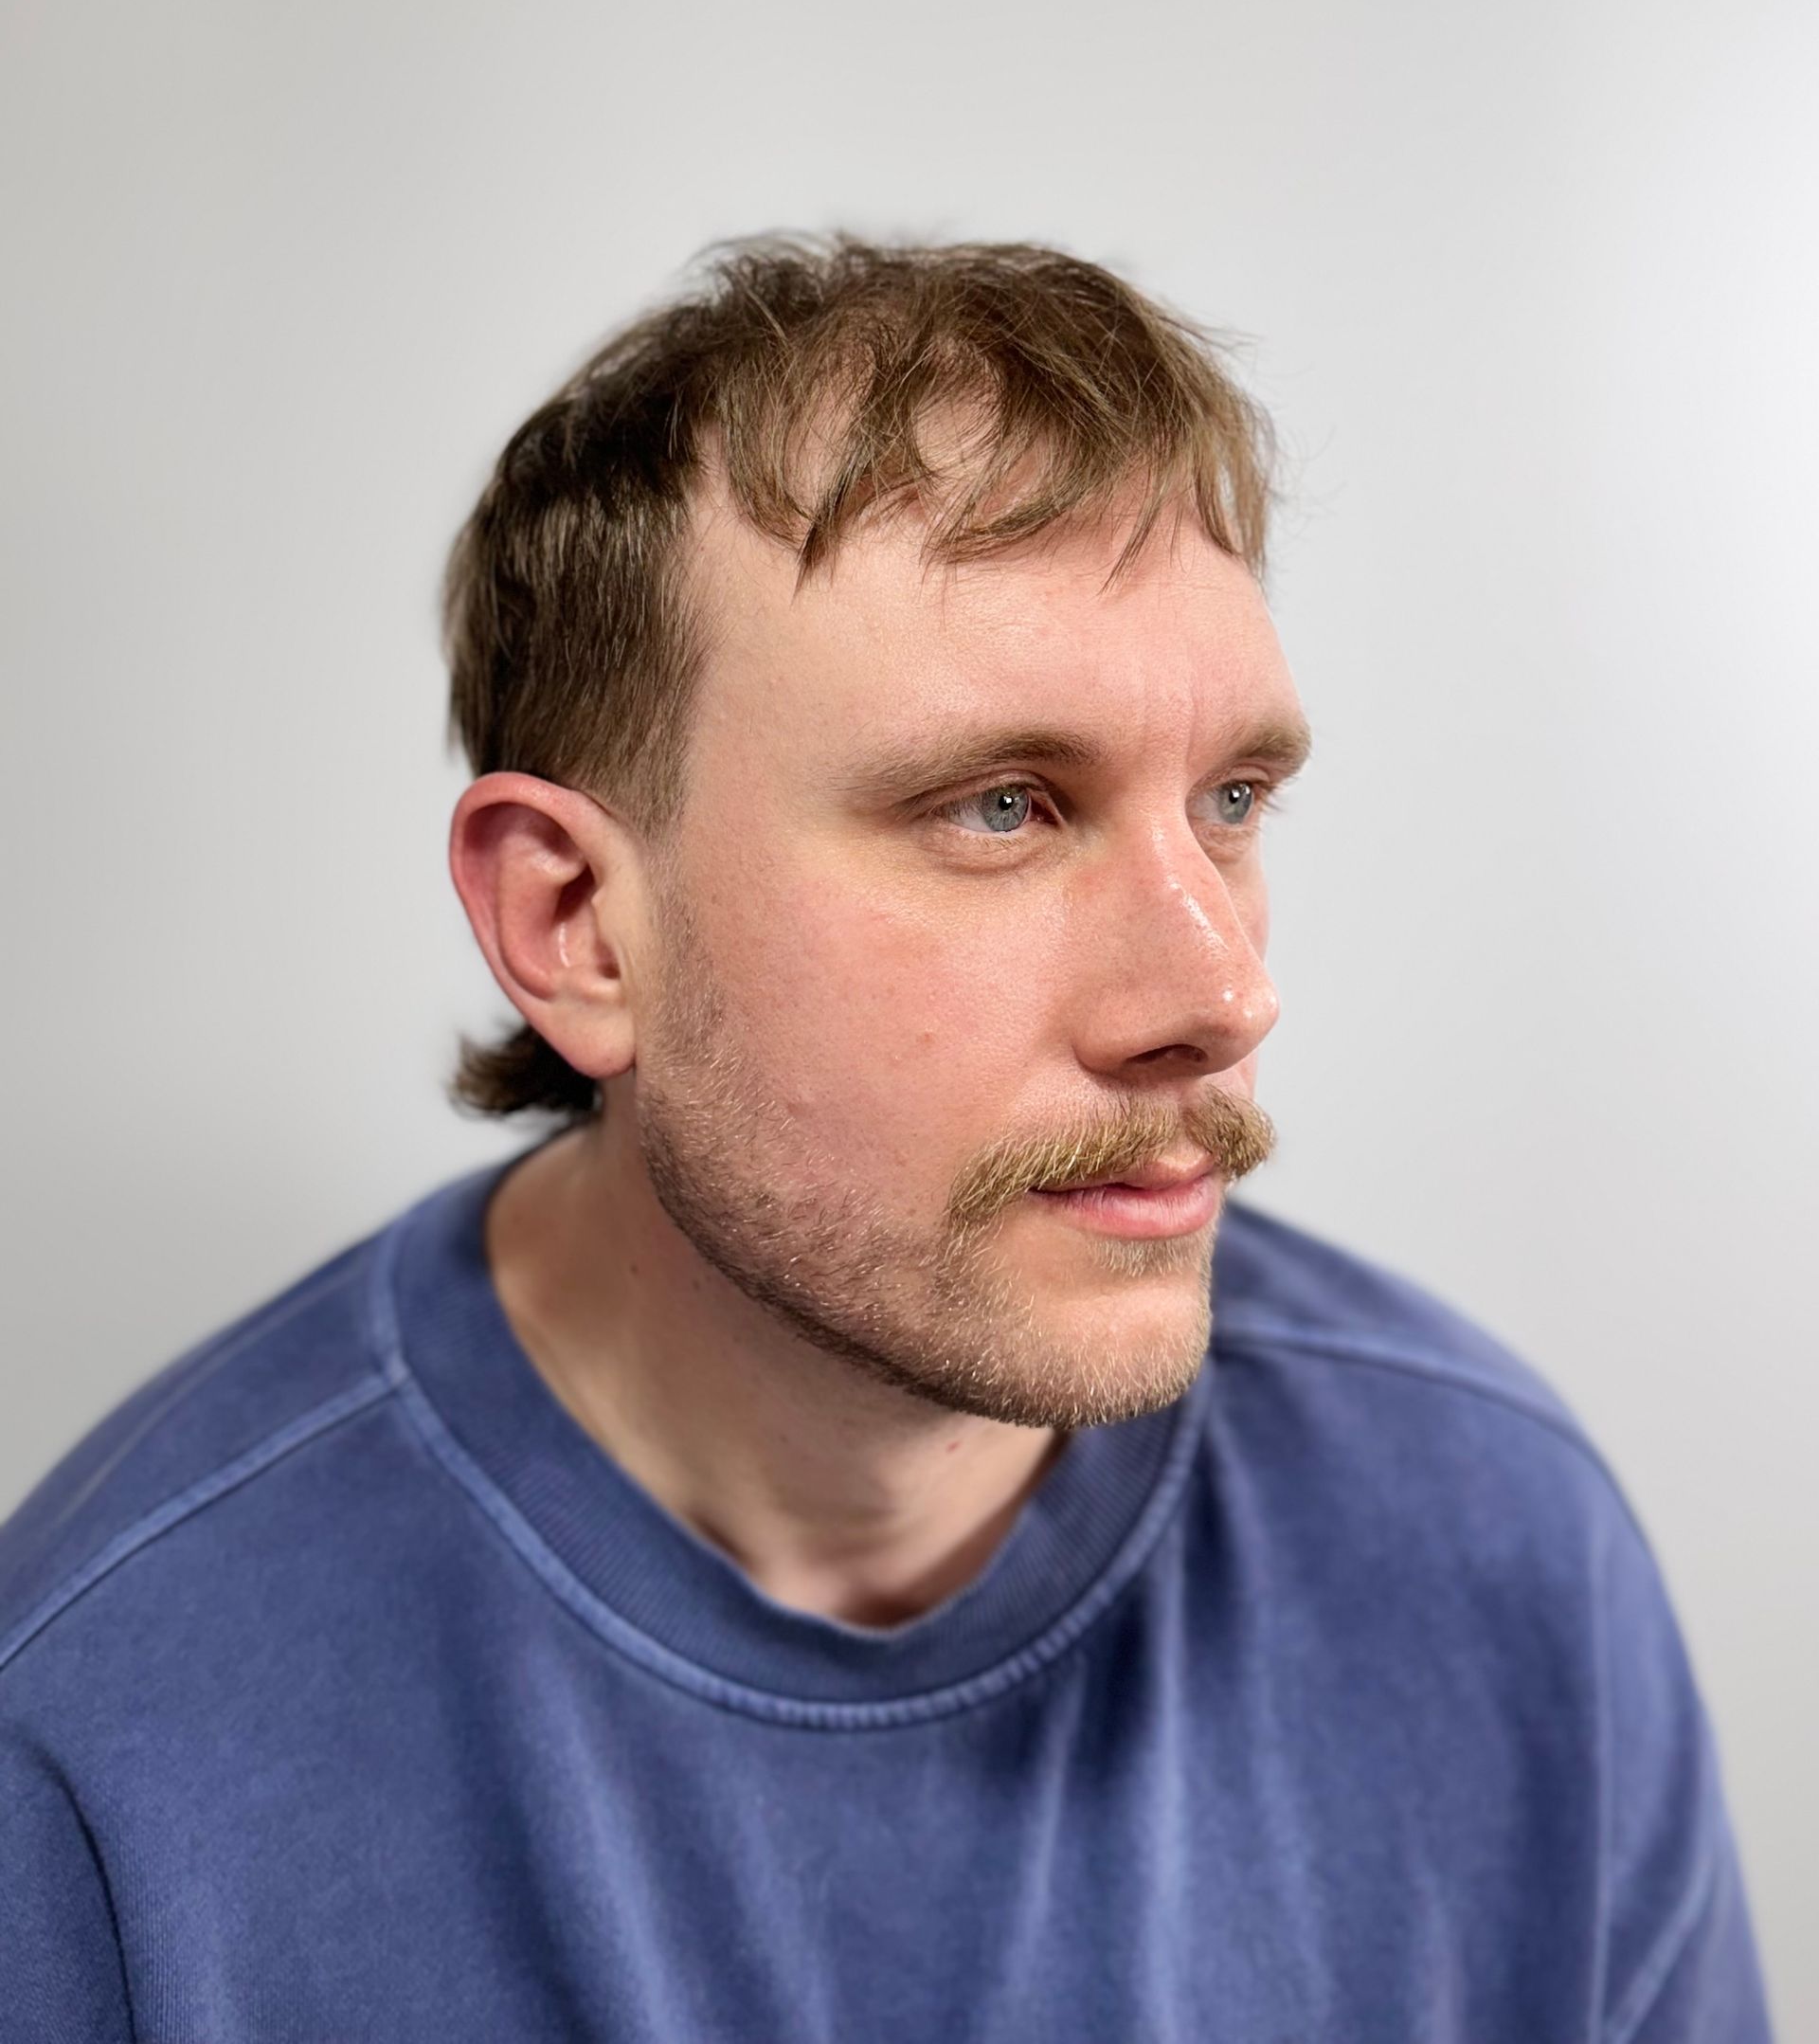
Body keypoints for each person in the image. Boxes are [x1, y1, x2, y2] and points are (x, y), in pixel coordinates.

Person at [0, 238, 1772, 2042]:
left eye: (1233, 799)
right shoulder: (101, 1740)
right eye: (1002, 808)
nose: (1221, 994)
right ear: (577, 928)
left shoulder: (1489, 1545)